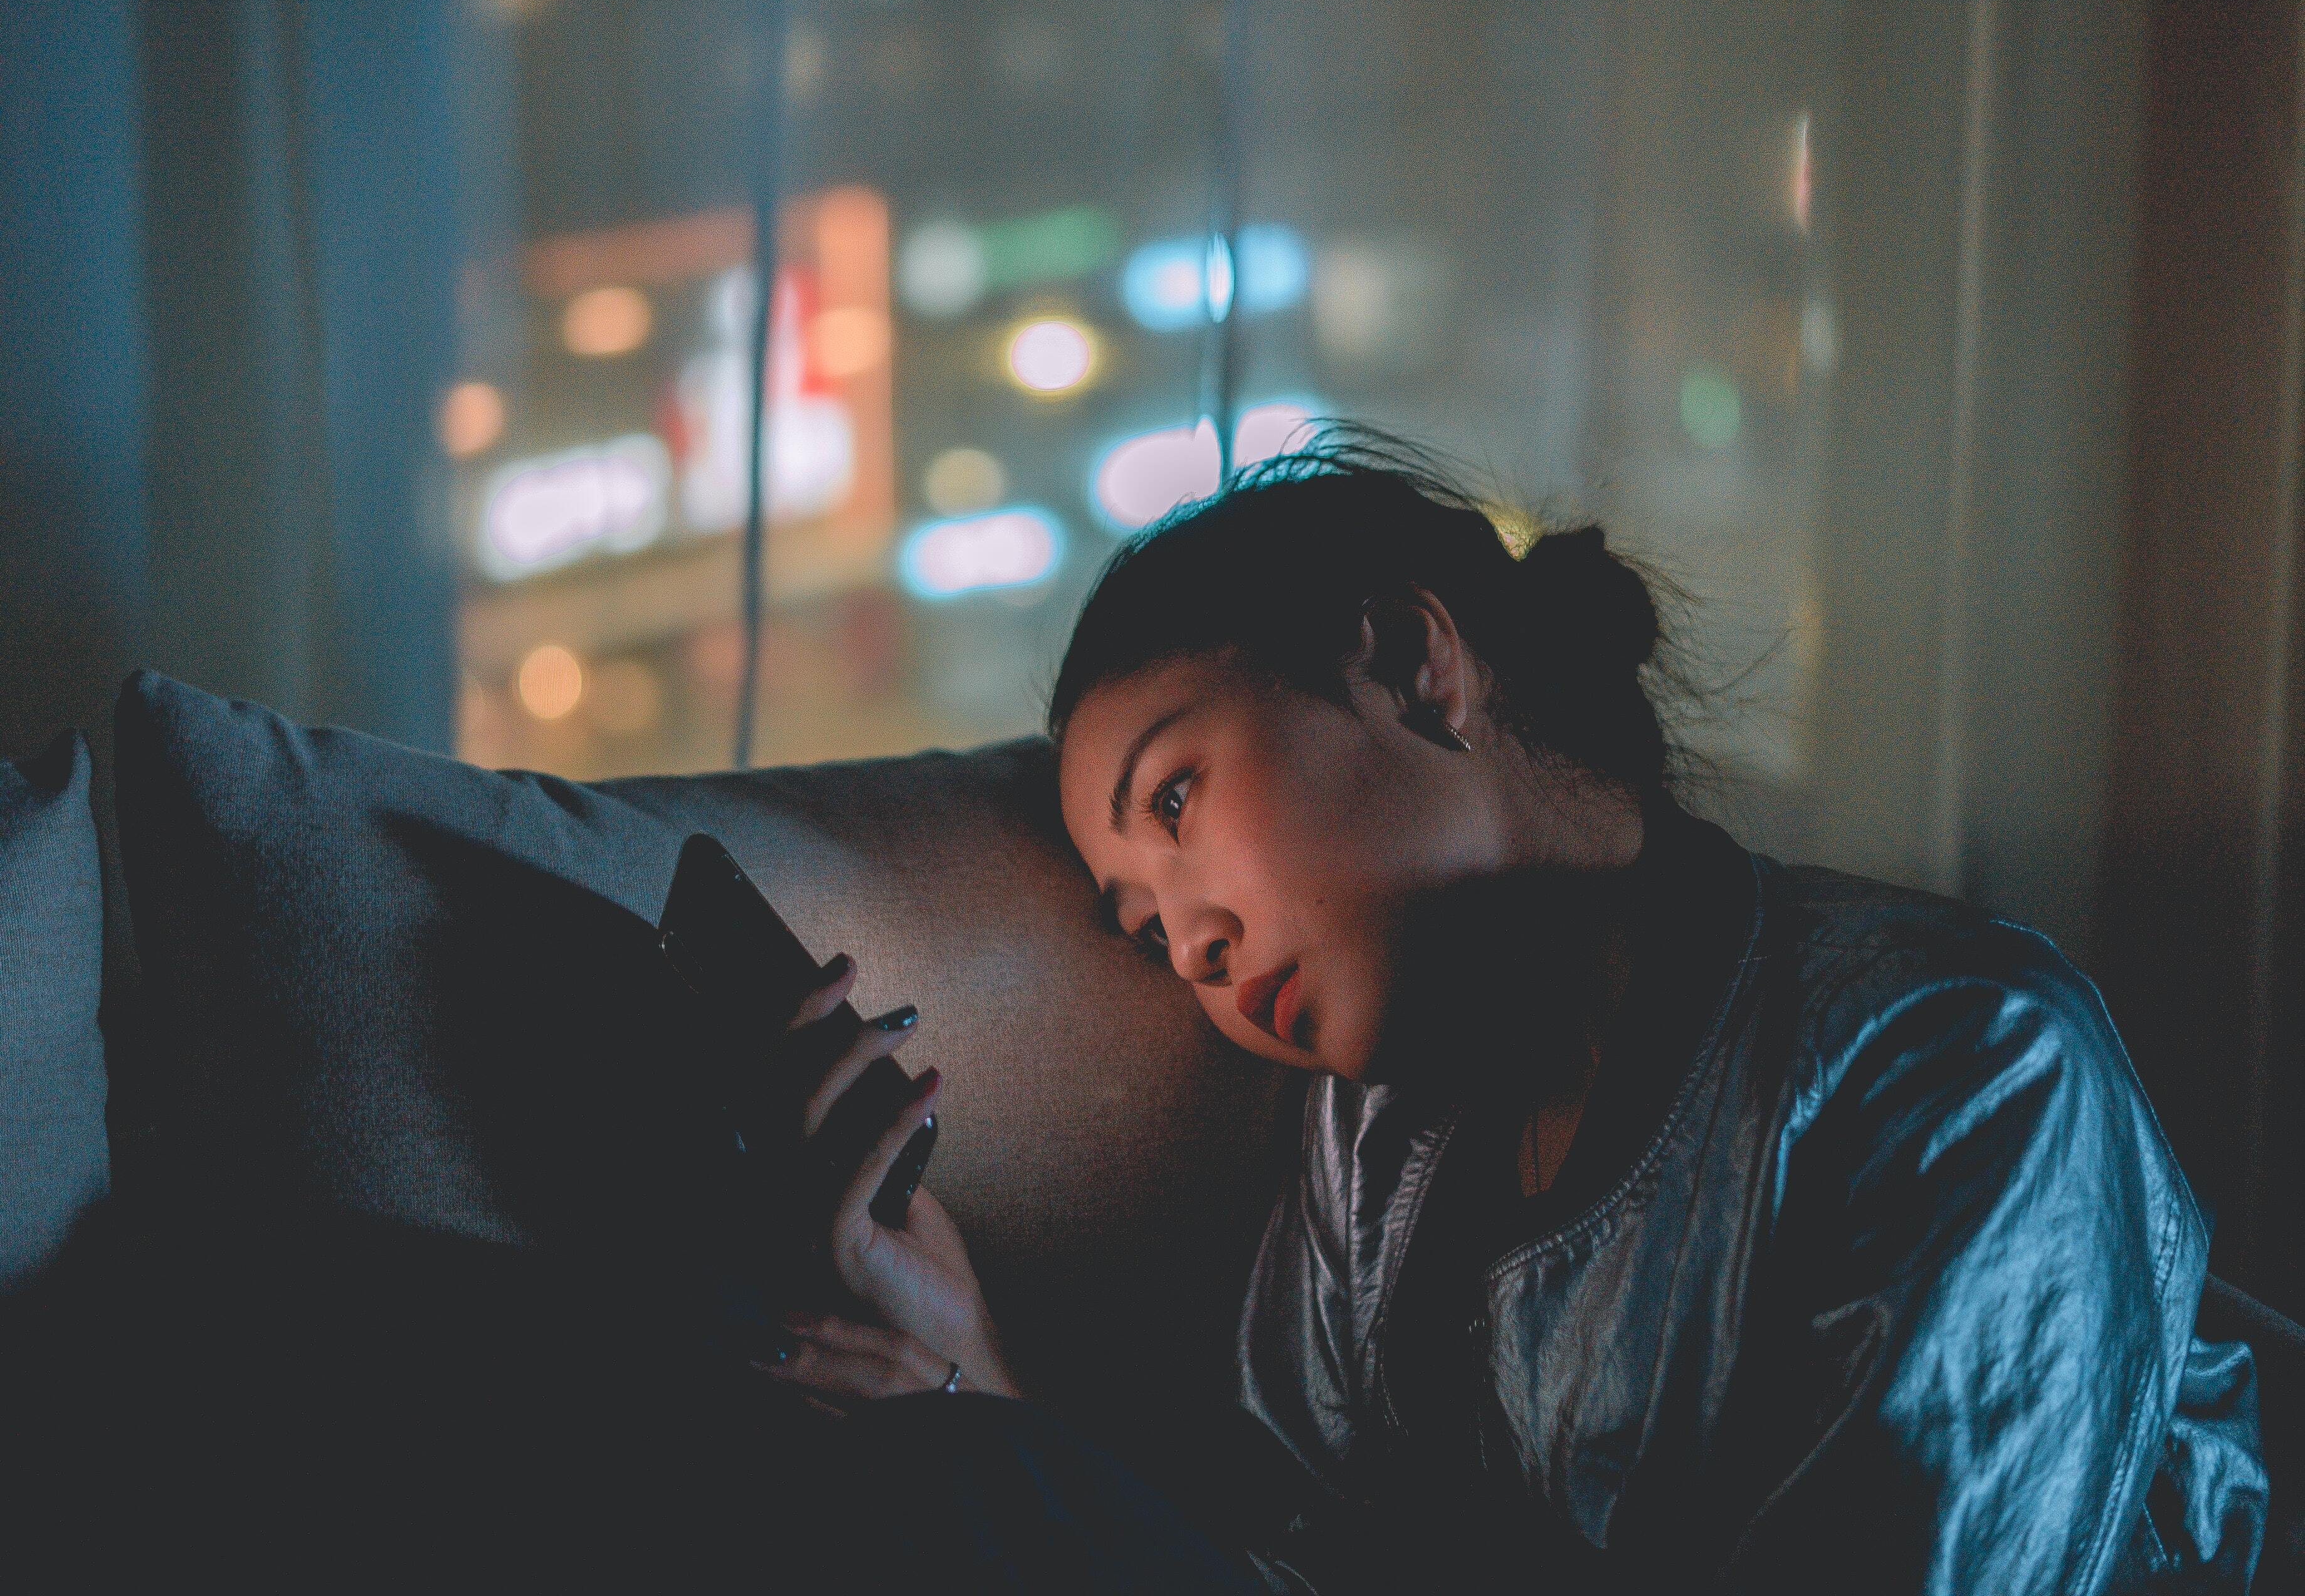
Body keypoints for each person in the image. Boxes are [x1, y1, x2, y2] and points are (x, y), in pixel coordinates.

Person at [756, 441, 2269, 1592]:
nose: (1197, 947)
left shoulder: (1956, 1059)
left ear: (1416, 665)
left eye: (1177, 798)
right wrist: (980, 1389)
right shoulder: (1371, 1153)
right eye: (1144, 930)